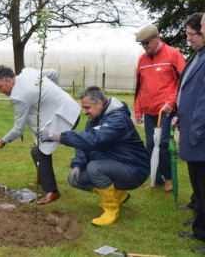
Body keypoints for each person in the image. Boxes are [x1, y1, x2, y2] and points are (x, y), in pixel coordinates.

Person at [39, 86, 149, 226]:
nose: (84, 111)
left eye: (87, 107)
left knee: (94, 168)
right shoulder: (95, 119)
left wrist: (59, 136)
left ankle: (111, 209)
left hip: (135, 169)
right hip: (117, 163)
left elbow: (93, 139)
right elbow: (85, 145)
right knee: (75, 179)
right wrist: (78, 164)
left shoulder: (117, 119)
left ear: (99, 104)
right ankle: (118, 195)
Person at [0, 65, 80, 205]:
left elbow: (18, 129)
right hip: (70, 107)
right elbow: (53, 73)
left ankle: (52, 191)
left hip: (64, 118)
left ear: (9, 80)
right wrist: (54, 97)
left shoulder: (19, 96)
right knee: (36, 150)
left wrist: (2, 141)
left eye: (0, 87)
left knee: (39, 152)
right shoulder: (28, 72)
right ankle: (44, 177)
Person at [134, 24, 186, 192]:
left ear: (157, 38)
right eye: (142, 44)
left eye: (147, 42)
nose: (145, 46)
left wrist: (171, 102)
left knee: (163, 143)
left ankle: (169, 177)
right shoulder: (142, 60)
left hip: (166, 109)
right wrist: (138, 109)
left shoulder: (173, 55)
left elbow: (183, 82)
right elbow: (139, 87)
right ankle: (156, 176)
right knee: (150, 144)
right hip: (149, 111)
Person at [171, 13, 205, 254]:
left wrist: (194, 132)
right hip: (192, 132)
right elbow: (188, 93)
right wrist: (179, 115)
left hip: (200, 136)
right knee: (198, 186)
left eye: (193, 33)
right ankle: (199, 227)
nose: (188, 38)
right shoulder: (197, 56)